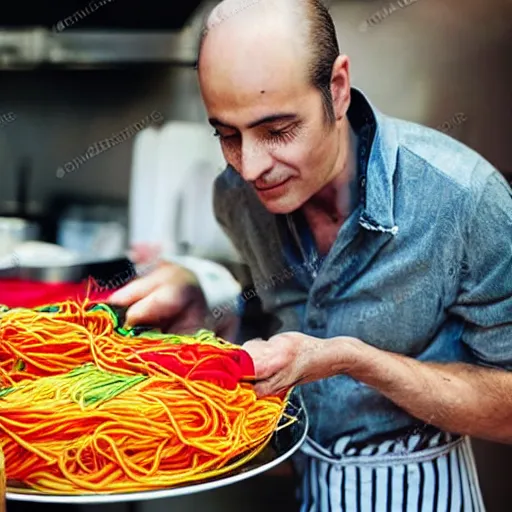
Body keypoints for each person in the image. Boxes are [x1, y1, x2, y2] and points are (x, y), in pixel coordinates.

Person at [109, 0, 512, 509]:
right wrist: (208, 297)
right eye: (228, 135)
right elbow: (271, 312)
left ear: (337, 89)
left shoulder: (464, 199)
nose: (252, 167)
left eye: (277, 131)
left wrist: (350, 358)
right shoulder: (236, 198)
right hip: (308, 490)